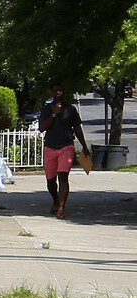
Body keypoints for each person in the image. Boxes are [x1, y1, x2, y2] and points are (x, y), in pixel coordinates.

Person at [39, 84, 88, 219]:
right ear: (52, 93)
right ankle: (55, 200)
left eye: (60, 90)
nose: (58, 93)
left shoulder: (70, 110)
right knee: (50, 180)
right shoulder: (46, 110)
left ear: (64, 93)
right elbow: (42, 128)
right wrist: (54, 115)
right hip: (50, 147)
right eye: (55, 91)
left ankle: (61, 208)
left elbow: (77, 128)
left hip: (66, 146)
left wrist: (84, 146)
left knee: (63, 176)